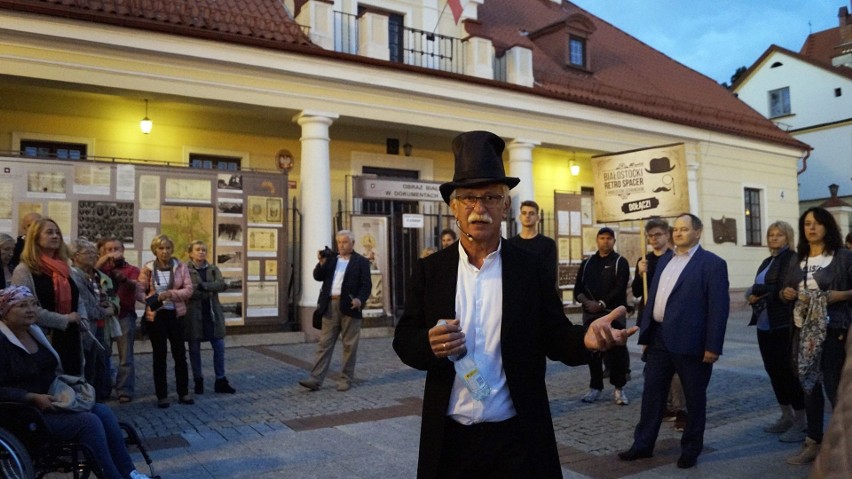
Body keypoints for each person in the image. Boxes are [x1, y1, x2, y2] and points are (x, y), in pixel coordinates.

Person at [393, 130, 636, 479]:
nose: (479, 208)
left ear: (506, 206)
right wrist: (428, 345)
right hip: (449, 439)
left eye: (491, 197)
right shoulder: (432, 270)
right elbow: (404, 340)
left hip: (517, 437)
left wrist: (587, 340)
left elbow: (553, 334)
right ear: (454, 207)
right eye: (469, 198)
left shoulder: (529, 269)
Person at [0, 285, 151, 479]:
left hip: (53, 402)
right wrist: (32, 397)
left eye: (33, 304)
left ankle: (130, 472)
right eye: (21, 305)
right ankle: (112, 476)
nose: (30, 309)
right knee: (88, 422)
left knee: (102, 411)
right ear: (4, 311)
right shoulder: (3, 342)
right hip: (24, 413)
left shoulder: (35, 333)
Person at [619, 212, 729, 469]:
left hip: (691, 343)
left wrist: (713, 346)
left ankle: (690, 449)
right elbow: (653, 297)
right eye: (676, 229)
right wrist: (646, 332)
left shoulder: (712, 264)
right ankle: (642, 445)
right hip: (658, 339)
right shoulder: (667, 260)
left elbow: (718, 308)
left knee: (693, 398)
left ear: (698, 232)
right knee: (652, 396)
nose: (678, 233)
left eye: (684, 229)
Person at [780, 207, 852, 465]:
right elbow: (785, 289)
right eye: (807, 223)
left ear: (828, 227)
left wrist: (840, 295)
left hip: (833, 330)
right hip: (802, 331)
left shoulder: (843, 257)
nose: (812, 228)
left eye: (818, 223)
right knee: (809, 387)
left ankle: (842, 446)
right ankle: (813, 442)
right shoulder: (796, 258)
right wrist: (785, 294)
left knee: (834, 387)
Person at [746, 221, 805, 442]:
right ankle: (785, 416)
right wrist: (752, 295)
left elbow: (788, 288)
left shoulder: (793, 259)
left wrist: (761, 293)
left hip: (783, 323)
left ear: (788, 237)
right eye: (771, 234)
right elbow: (757, 287)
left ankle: (801, 422)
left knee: (788, 372)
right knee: (773, 372)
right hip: (763, 323)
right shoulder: (766, 261)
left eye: (779, 235)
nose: (774, 238)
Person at [299, 230, 372, 392]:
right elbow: (318, 276)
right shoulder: (331, 260)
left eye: (345, 242)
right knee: (324, 344)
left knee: (349, 345)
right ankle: (315, 379)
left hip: (350, 307)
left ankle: (345, 379)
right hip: (330, 306)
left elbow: (366, 285)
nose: (341, 245)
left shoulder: (361, 261)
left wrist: (360, 299)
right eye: (339, 242)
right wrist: (321, 262)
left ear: (352, 243)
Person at [11, 217, 85, 375]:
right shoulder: (24, 271)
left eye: (57, 232)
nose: (55, 236)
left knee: (74, 380)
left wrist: (82, 319)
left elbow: (78, 299)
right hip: (43, 337)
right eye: (49, 232)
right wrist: (64, 319)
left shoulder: (66, 269)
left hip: (70, 336)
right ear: (36, 238)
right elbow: (23, 308)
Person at [632, 220, 686, 430]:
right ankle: (662, 406)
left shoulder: (674, 258)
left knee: (676, 370)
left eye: (658, 235)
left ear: (667, 235)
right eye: (650, 236)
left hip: (669, 321)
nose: (654, 239)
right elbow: (637, 292)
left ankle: (680, 409)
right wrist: (639, 272)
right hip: (648, 320)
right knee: (652, 366)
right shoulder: (644, 260)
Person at [574, 226, 631, 405]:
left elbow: (620, 288)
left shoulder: (620, 262)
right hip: (591, 316)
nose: (605, 241)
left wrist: (601, 304)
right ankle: (595, 387)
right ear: (597, 240)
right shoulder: (587, 263)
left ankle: (619, 389)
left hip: (613, 314)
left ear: (614, 241)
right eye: (602, 238)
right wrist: (587, 302)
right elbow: (578, 290)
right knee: (593, 352)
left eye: (609, 238)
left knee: (617, 352)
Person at [137, 234, 194, 408]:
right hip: (156, 316)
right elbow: (139, 290)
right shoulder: (147, 268)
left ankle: (183, 392)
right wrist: (150, 299)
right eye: (161, 248)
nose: (165, 251)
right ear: (155, 250)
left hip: (176, 315)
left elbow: (188, 290)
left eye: (168, 248)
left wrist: (171, 294)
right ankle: (162, 395)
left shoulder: (180, 267)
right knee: (159, 356)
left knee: (179, 355)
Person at [69, 238, 120, 402]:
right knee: (88, 367)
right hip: (86, 329)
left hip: (101, 327)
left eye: (94, 253)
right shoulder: (74, 276)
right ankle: (90, 401)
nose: (93, 256)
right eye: (88, 253)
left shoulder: (99, 277)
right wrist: (105, 311)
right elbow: (84, 304)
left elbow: (112, 296)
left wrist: (112, 307)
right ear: (75, 256)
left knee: (101, 365)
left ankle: (99, 398)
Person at [185, 240, 235, 395]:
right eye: (198, 249)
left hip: (212, 314)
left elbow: (221, 284)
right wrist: (208, 290)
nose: (201, 252)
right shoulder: (185, 270)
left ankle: (220, 379)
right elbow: (188, 291)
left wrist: (202, 286)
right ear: (191, 252)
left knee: (219, 346)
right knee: (194, 349)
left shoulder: (213, 269)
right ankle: (198, 380)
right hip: (193, 315)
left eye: (204, 250)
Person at [96, 237, 140, 403]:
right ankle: (104, 388)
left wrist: (122, 278)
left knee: (125, 356)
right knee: (103, 355)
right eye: (109, 249)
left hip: (124, 315)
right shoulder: (100, 269)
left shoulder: (132, 269)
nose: (113, 252)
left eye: (116, 248)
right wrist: (103, 263)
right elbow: (89, 275)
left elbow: (134, 287)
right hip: (104, 316)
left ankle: (124, 390)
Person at [507, 200, 558, 287]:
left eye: (531, 213)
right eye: (524, 213)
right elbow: (508, 273)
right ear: (520, 217)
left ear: (537, 217)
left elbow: (550, 275)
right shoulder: (510, 244)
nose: (527, 216)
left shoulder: (548, 244)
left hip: (539, 294)